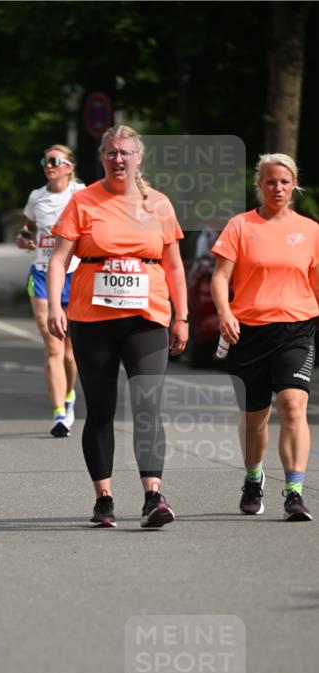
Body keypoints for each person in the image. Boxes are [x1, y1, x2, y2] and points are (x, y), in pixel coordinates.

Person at [47, 124, 188, 527]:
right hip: (92, 320)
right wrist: (57, 306)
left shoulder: (158, 204)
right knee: (102, 410)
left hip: (146, 319)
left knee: (147, 405)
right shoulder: (83, 201)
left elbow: (174, 264)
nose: (119, 159)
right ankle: (104, 498)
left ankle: (153, 497)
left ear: (139, 157)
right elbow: (59, 259)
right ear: (102, 158)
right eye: (111, 153)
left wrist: (183, 316)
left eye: (126, 152)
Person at [211, 152, 319, 522]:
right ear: (259, 185)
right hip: (249, 332)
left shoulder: (310, 230)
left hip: (296, 329)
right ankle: (254, 479)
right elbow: (221, 276)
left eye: (285, 182)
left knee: (293, 405)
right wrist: (225, 312)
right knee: (255, 416)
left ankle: (294, 492)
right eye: (271, 181)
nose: (278, 188)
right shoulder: (240, 226)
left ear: (294, 185)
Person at [16, 145, 84, 437]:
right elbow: (27, 228)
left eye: (55, 161)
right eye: (45, 160)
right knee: (53, 345)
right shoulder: (37, 197)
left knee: (71, 352)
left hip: (75, 276)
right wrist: (24, 238)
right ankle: (58, 413)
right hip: (43, 274)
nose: (48, 165)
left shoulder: (82, 194)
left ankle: (68, 396)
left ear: (69, 167)